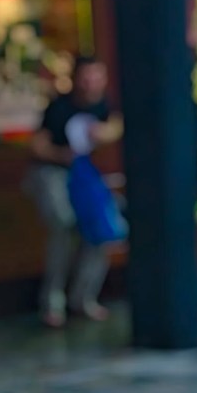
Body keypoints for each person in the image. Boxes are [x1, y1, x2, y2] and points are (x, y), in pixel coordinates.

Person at [25, 56, 122, 328]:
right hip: (52, 173)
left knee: (100, 229)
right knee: (63, 225)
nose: (91, 82)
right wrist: (61, 155)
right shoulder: (58, 108)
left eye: (96, 76)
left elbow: (115, 126)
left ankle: (83, 297)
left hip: (88, 178)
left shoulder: (105, 105)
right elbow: (37, 146)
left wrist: (106, 133)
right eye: (86, 76)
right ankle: (52, 301)